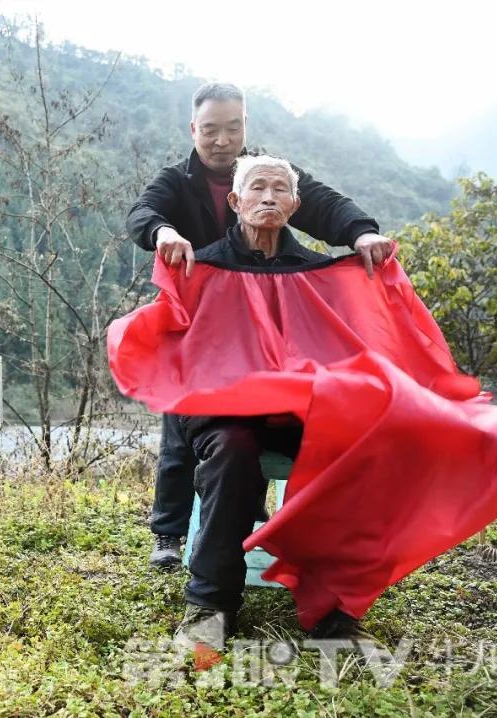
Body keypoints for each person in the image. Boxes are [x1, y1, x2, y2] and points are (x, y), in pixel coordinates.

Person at [126, 82, 395, 568]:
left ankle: (269, 526)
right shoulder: (176, 180)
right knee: (183, 421)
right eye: (211, 130)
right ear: (194, 129)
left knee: (271, 412)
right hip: (203, 315)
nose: (222, 140)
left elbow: (326, 204)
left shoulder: (266, 173)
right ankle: (168, 532)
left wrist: (362, 233)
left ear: (245, 126)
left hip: (261, 322)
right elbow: (142, 213)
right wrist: (163, 233)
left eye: (233, 128)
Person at [170, 154, 380, 645]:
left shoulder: (319, 273)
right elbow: (180, 345)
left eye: (280, 189)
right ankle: (209, 606)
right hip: (222, 410)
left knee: (341, 450)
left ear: (295, 204)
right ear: (235, 200)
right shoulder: (203, 267)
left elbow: (346, 351)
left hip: (298, 410)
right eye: (257, 188)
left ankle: (332, 611)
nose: (268, 197)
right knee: (232, 449)